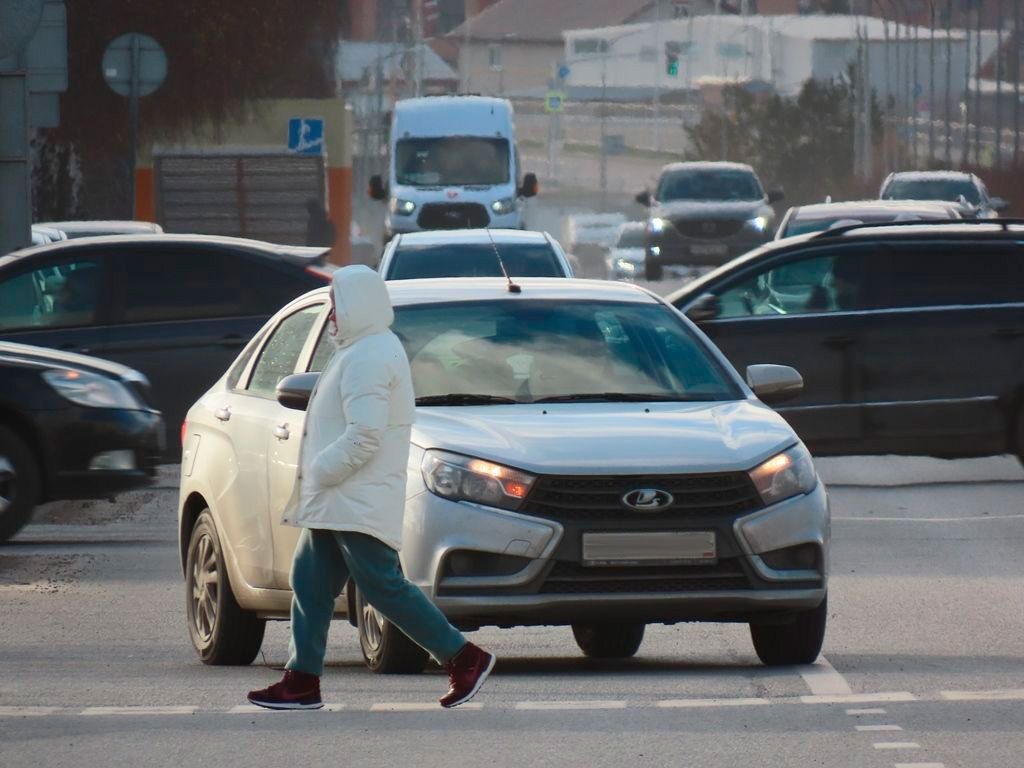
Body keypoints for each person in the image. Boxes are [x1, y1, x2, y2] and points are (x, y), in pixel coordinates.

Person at [247, 265, 495, 711]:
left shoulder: (370, 355)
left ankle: (464, 657)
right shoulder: (361, 349)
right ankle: (301, 680)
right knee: (309, 579)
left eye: (338, 306)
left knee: (382, 585)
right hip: (339, 498)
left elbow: (365, 434)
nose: (332, 317)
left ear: (359, 306)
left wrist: (319, 472)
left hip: (354, 495)